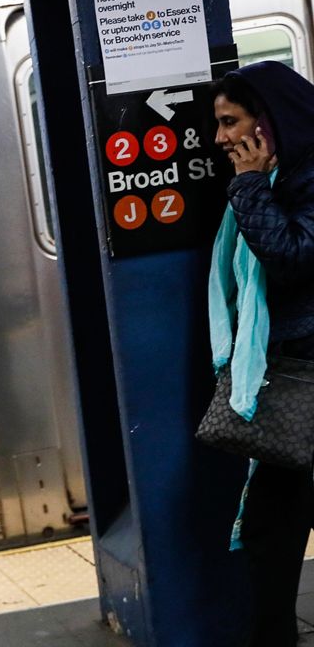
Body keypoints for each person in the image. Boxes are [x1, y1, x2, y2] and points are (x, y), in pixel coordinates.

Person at [210, 60, 314, 647]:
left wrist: (249, 186)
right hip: (296, 377)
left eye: (231, 122)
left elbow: (293, 257)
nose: (222, 138)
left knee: (273, 523)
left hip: (305, 376)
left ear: (268, 122)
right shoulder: (283, 177)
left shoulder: (304, 176)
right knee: (271, 526)